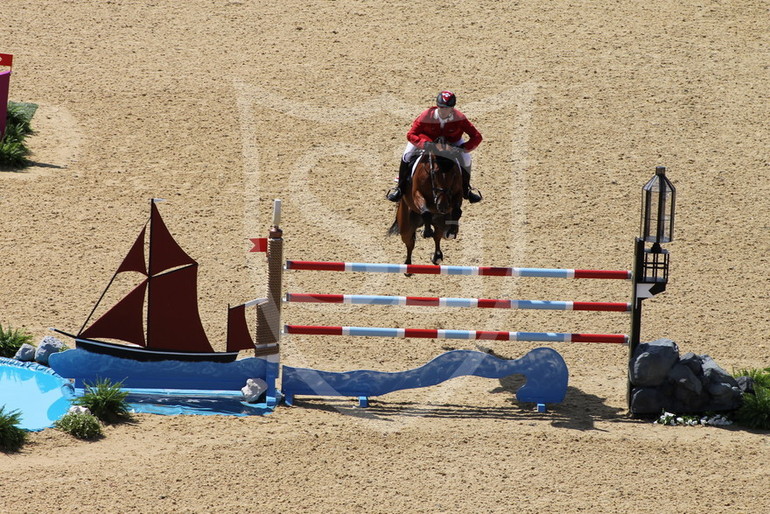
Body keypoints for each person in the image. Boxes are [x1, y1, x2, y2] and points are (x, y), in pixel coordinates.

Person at [387, 90, 483, 203]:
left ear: (452, 108)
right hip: (427, 141)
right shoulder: (427, 115)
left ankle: (466, 189)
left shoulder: (460, 118)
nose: (443, 111)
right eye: (441, 107)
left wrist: (463, 148)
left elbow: (477, 136)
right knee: (406, 155)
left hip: (452, 143)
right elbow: (411, 134)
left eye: (447, 108)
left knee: (467, 159)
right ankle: (400, 188)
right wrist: (424, 144)